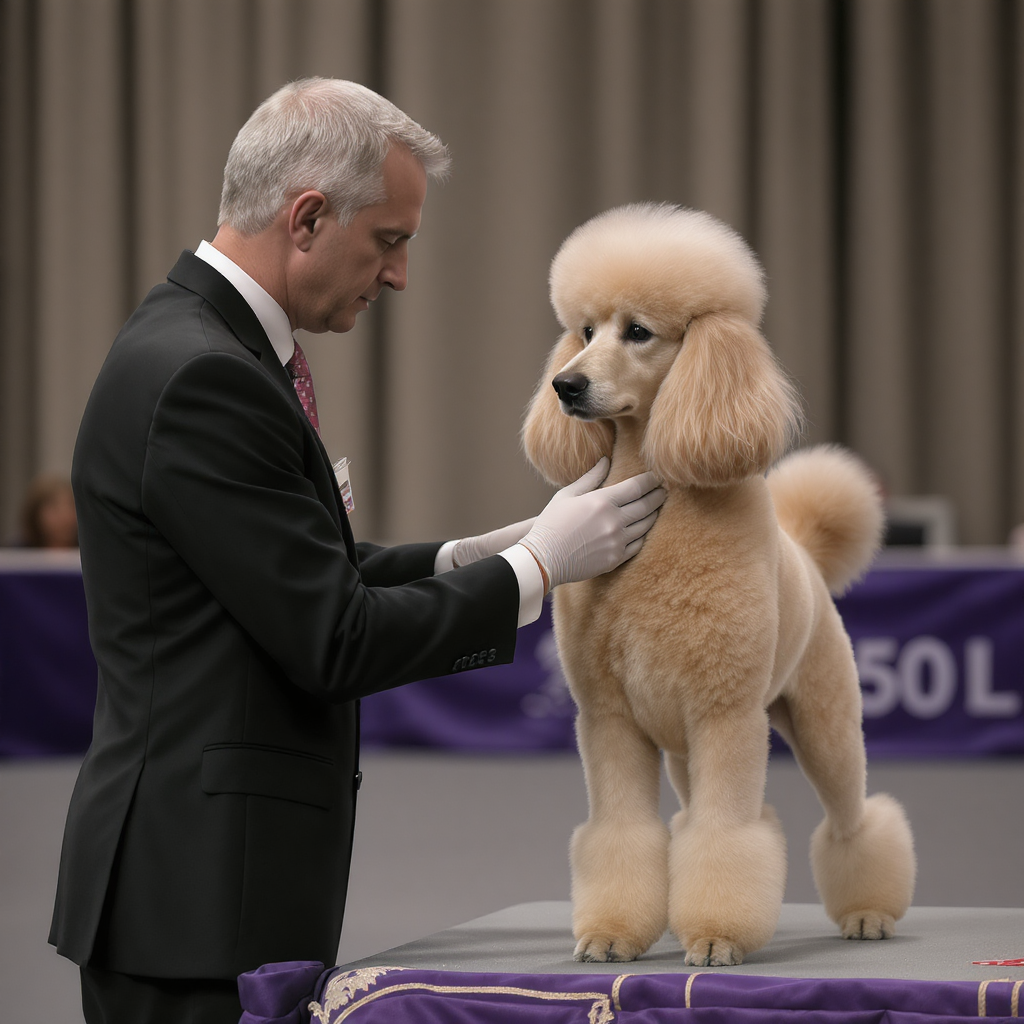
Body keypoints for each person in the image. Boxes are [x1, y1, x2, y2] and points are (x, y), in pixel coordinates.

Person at [48, 78, 665, 1024]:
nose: (400, 274)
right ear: (306, 218)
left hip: (203, 886)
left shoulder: (203, 346)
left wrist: (472, 555)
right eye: (390, 239)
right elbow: (331, 637)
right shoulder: (207, 376)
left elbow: (289, 575)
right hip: (196, 904)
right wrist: (537, 571)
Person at [18, 474, 78, 548]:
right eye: (54, 508)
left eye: (71, 505)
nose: (65, 517)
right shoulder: (16, 552)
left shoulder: (91, 549)